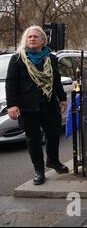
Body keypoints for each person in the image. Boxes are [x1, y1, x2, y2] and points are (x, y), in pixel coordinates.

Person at [6, 26, 68, 186]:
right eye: (29, 37)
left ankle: (53, 161)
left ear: (43, 40)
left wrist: (62, 98)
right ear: (26, 40)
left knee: (54, 134)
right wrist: (12, 105)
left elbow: (56, 80)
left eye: (35, 36)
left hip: (48, 104)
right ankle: (39, 170)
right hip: (28, 107)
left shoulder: (51, 58)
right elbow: (11, 83)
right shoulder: (18, 59)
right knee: (33, 139)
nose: (32, 39)